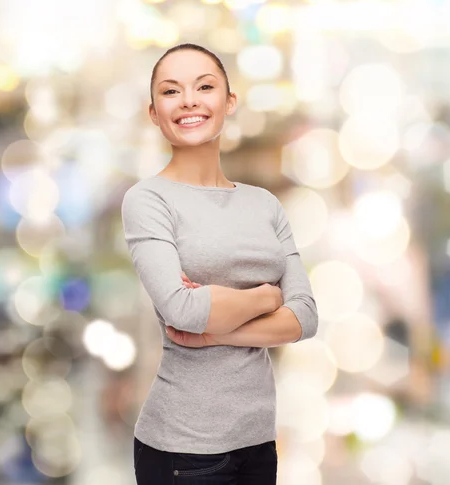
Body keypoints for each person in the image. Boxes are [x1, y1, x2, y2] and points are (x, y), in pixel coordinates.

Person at [120, 43, 319, 485]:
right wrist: (269, 296)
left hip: (258, 439)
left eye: (204, 86)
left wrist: (211, 332)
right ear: (154, 113)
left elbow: (305, 317)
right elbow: (183, 310)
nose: (189, 100)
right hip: (183, 447)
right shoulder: (148, 200)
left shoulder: (264, 204)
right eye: (171, 92)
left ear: (229, 102)